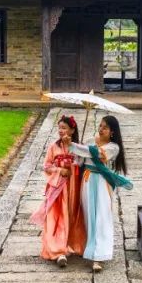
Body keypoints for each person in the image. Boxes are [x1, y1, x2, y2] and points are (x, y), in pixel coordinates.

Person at [70, 115, 132, 272]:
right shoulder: (90, 141)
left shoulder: (113, 148)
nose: (101, 129)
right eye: (100, 126)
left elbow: (96, 153)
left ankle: (99, 256)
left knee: (102, 217)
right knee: (89, 215)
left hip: (103, 183)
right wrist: (77, 154)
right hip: (87, 180)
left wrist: (73, 146)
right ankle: (89, 248)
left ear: (112, 131)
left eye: (105, 127)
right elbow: (80, 161)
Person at [31, 114, 86, 267]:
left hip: (74, 188)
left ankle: (74, 244)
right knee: (58, 216)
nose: (61, 131)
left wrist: (74, 159)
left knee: (73, 215)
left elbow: (82, 164)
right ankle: (58, 251)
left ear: (72, 130)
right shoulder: (53, 147)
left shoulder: (78, 147)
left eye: (64, 128)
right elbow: (47, 166)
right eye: (59, 128)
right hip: (58, 188)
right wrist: (60, 170)